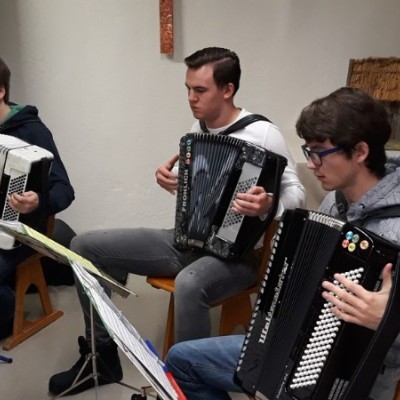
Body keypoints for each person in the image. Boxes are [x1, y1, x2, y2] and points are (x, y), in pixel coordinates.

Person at [48, 47, 305, 396]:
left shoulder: (263, 133)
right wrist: (172, 180)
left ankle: (187, 388)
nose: (191, 98)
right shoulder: (198, 129)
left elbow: (296, 192)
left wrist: (269, 204)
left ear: (227, 90)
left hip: (239, 256)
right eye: (188, 89)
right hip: (187, 241)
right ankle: (102, 355)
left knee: (189, 283)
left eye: (200, 90)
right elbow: (200, 189)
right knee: (83, 246)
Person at [164, 86, 400, 400]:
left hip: (352, 375)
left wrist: (389, 321)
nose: (311, 164)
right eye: (308, 151)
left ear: (359, 152)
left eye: (319, 152)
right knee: (182, 361)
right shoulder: (334, 202)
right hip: (295, 347)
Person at [0, 57, 75, 340]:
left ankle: (6, 314)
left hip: (21, 230)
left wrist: (38, 201)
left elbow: (64, 189)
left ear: (1, 91)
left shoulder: (31, 131)